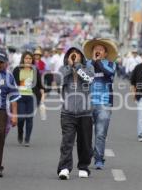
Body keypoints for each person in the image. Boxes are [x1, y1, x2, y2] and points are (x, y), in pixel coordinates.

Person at [57, 44, 94, 180]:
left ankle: (83, 166)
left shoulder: (88, 68)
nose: (74, 55)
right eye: (71, 53)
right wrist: (69, 66)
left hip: (85, 112)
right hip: (67, 112)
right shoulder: (63, 69)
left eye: (76, 53)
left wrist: (78, 66)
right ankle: (64, 168)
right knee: (67, 142)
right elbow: (58, 80)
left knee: (85, 142)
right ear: (67, 57)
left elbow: (89, 79)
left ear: (81, 56)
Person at [83, 38, 117, 169]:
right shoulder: (86, 64)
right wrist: (92, 62)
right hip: (87, 103)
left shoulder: (110, 64)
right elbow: (83, 77)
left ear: (106, 53)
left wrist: (98, 62)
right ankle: (86, 157)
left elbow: (110, 74)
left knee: (100, 133)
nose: (98, 51)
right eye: (95, 49)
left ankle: (99, 159)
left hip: (104, 104)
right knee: (85, 134)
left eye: (101, 49)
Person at [12, 51, 45, 147]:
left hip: (31, 97)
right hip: (20, 97)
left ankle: (27, 139)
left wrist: (42, 92)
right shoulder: (17, 70)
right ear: (23, 59)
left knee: (29, 118)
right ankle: (20, 132)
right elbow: (12, 84)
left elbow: (39, 84)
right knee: (21, 118)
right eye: (26, 58)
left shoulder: (35, 70)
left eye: (30, 58)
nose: (28, 60)